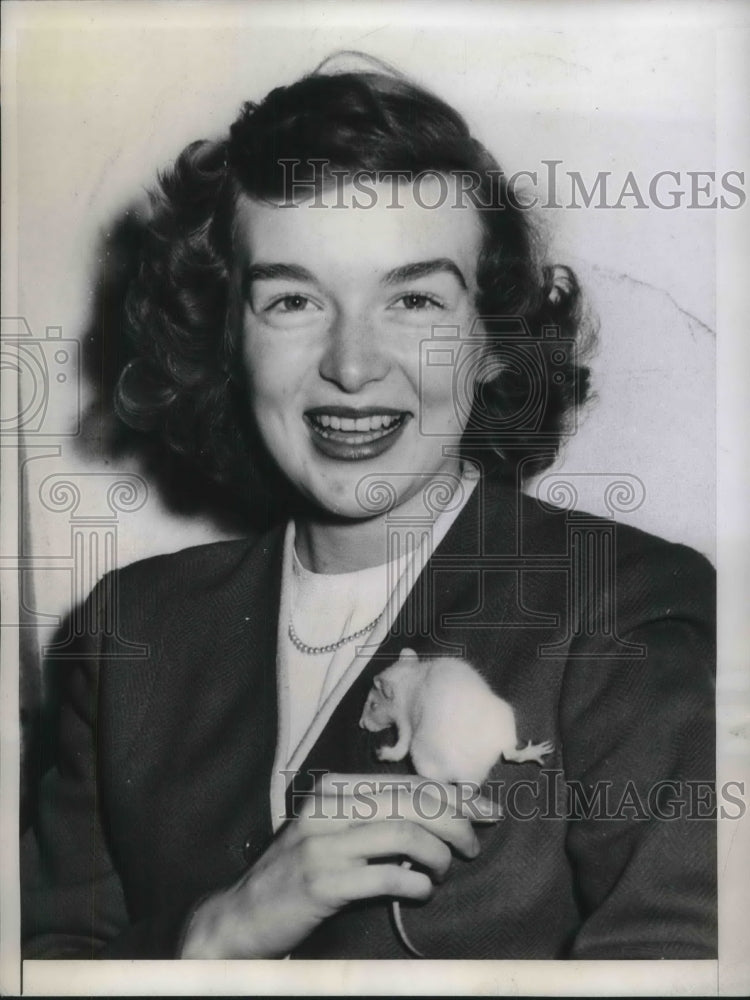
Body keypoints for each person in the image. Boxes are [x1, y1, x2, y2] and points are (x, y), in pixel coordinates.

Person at [21, 54, 716, 960]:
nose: (353, 366)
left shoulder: (630, 606)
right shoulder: (124, 633)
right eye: (294, 299)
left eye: (416, 299)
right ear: (225, 338)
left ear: (495, 342)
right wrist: (214, 936)